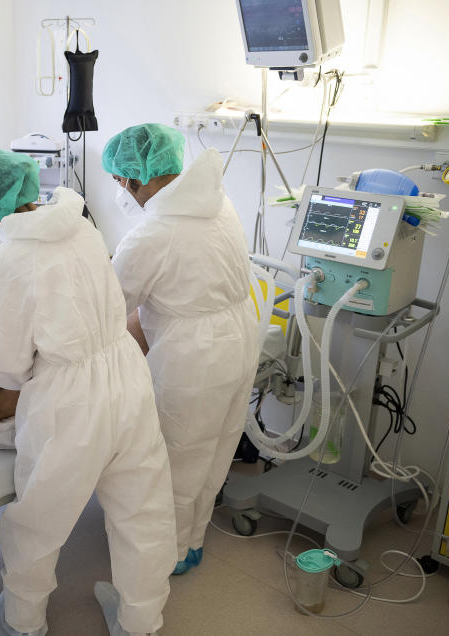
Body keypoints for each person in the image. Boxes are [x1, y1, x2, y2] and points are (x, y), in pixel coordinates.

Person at [0, 149, 177, 636]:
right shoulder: (79, 224)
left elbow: (9, 369)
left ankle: (23, 621)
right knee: (143, 505)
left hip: (69, 398)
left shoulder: (10, 258)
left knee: (40, 516)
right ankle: (141, 620)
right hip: (125, 371)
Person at [102, 123, 259, 576]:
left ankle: (164, 555)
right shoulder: (216, 202)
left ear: (136, 178)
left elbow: (110, 308)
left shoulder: (151, 235)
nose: (119, 190)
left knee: (176, 454)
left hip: (193, 354)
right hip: (239, 334)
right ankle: (191, 539)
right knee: (216, 446)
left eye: (119, 180)